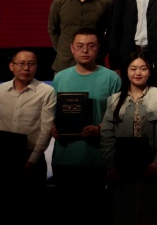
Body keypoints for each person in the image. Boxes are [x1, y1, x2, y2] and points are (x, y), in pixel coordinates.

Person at [101, 48, 157, 223]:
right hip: (122, 167)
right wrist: (111, 166)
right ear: (126, 71)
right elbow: (106, 135)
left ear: (150, 70)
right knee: (123, 211)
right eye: (133, 68)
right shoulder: (114, 100)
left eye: (143, 68)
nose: (138, 73)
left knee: (152, 211)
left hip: (152, 166)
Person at [51, 27, 122, 196]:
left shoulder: (111, 78)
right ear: (72, 48)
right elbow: (53, 112)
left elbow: (119, 116)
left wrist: (99, 129)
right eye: (80, 46)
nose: (85, 50)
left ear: (98, 49)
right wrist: (52, 125)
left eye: (91, 46)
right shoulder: (60, 77)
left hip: (97, 157)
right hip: (64, 156)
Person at [0, 48, 56, 193]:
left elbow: (46, 130)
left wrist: (32, 162)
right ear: (11, 66)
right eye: (21, 63)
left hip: (32, 157)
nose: (26, 68)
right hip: (3, 157)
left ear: (36, 66)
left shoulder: (46, 91)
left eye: (31, 64)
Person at [48, 0, 114, 72]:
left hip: (95, 63)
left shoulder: (106, 2)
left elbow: (112, 32)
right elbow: (53, 29)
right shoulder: (59, 1)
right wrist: (63, 50)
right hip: (65, 64)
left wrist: (101, 52)